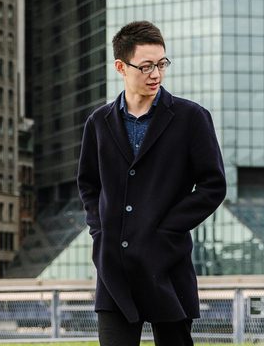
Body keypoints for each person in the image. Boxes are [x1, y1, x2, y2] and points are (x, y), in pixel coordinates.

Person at [78, 21, 227, 346]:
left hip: (167, 263)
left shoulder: (191, 118)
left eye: (161, 64)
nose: (156, 74)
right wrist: (100, 229)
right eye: (146, 66)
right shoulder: (99, 123)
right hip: (114, 268)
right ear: (121, 66)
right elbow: (88, 184)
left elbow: (213, 185)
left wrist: (169, 229)